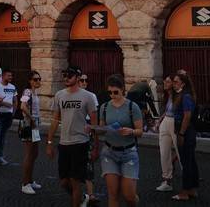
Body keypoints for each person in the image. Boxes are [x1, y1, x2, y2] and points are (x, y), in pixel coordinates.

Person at [46, 66, 98, 207]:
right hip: (64, 144)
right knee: (64, 182)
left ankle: (78, 199)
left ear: (77, 77)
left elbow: (94, 123)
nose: (66, 78)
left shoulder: (88, 96)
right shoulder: (59, 95)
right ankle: (81, 198)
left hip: (80, 143)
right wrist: (50, 142)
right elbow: (55, 120)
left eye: (70, 75)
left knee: (75, 182)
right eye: (64, 75)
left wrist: (95, 147)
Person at [99, 74, 143, 207]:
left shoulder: (132, 107)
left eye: (115, 92)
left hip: (128, 152)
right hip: (109, 152)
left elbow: (140, 131)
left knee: (129, 196)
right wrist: (94, 129)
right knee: (113, 194)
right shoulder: (105, 107)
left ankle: (134, 200)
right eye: (110, 92)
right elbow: (101, 128)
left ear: (122, 90)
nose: (112, 95)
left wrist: (130, 131)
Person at [171, 71, 199, 201]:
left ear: (183, 83)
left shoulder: (185, 96)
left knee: (186, 161)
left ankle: (184, 192)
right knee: (190, 161)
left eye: (176, 81)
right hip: (186, 130)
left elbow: (187, 116)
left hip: (185, 131)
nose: (173, 84)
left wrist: (181, 133)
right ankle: (192, 189)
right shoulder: (183, 95)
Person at [78, 73, 100, 205]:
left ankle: (90, 194)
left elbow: (94, 116)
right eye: (82, 80)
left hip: (88, 131)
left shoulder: (92, 96)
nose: (85, 82)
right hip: (76, 132)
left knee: (88, 164)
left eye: (86, 80)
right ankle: (78, 194)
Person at [20, 70, 42, 195]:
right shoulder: (27, 91)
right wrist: (32, 118)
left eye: (39, 79)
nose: (38, 81)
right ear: (30, 81)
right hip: (30, 125)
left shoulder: (34, 92)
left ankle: (30, 180)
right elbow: (22, 106)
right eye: (35, 79)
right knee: (29, 154)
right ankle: (25, 183)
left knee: (35, 153)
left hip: (35, 125)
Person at [156, 74, 180, 192]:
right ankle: (166, 180)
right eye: (165, 81)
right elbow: (167, 111)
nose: (165, 83)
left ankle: (188, 181)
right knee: (164, 152)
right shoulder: (168, 96)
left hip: (175, 122)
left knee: (180, 151)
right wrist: (160, 120)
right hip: (167, 121)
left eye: (168, 82)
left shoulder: (178, 96)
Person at [0, 68, 16, 165]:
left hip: (8, 115)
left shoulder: (13, 87)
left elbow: (15, 101)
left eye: (11, 76)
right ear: (3, 76)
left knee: (3, 137)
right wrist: (5, 104)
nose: (10, 77)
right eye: (8, 75)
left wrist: (13, 112)